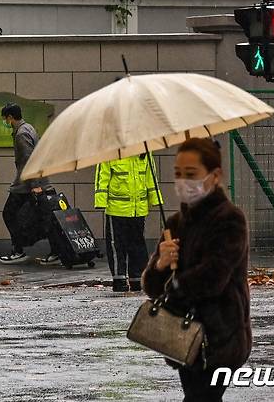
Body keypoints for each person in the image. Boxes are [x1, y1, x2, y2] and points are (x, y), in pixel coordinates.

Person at [142, 138, 251, 402]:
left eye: (191, 174)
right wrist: (161, 265)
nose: (183, 181)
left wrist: (175, 288)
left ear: (215, 176)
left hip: (222, 338)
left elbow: (213, 277)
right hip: (184, 339)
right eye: (178, 174)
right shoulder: (175, 224)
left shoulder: (230, 220)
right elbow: (151, 287)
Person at [0, 102, 60, 266]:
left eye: (5, 118)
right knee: (45, 217)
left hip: (26, 185)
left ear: (10, 117)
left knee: (9, 213)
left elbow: (28, 160)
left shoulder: (21, 134)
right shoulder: (28, 128)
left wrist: (34, 185)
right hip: (34, 182)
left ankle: (18, 250)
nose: (5, 122)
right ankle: (56, 251)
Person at [94, 154, 162, 292]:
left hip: (138, 210)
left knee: (137, 245)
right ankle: (119, 279)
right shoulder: (110, 152)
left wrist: (156, 199)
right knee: (117, 246)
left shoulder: (145, 152)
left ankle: (137, 279)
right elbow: (102, 176)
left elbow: (151, 177)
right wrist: (100, 201)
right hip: (116, 209)